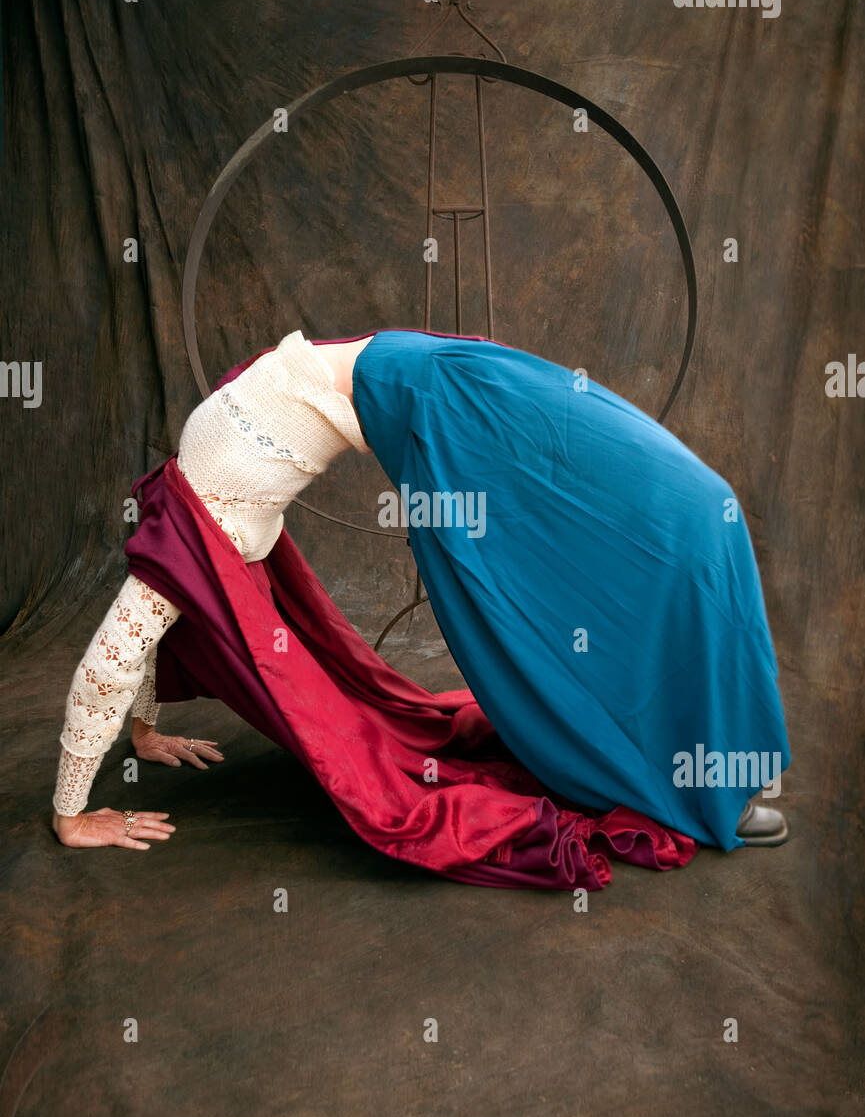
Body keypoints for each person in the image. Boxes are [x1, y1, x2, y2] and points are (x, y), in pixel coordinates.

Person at [50, 327, 790, 882]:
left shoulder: (202, 521)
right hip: (411, 366)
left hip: (435, 398)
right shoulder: (200, 510)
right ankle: (705, 772)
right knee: (681, 520)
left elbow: (110, 663)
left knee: (693, 513)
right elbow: (146, 635)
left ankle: (702, 770)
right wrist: (142, 737)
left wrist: (71, 814)